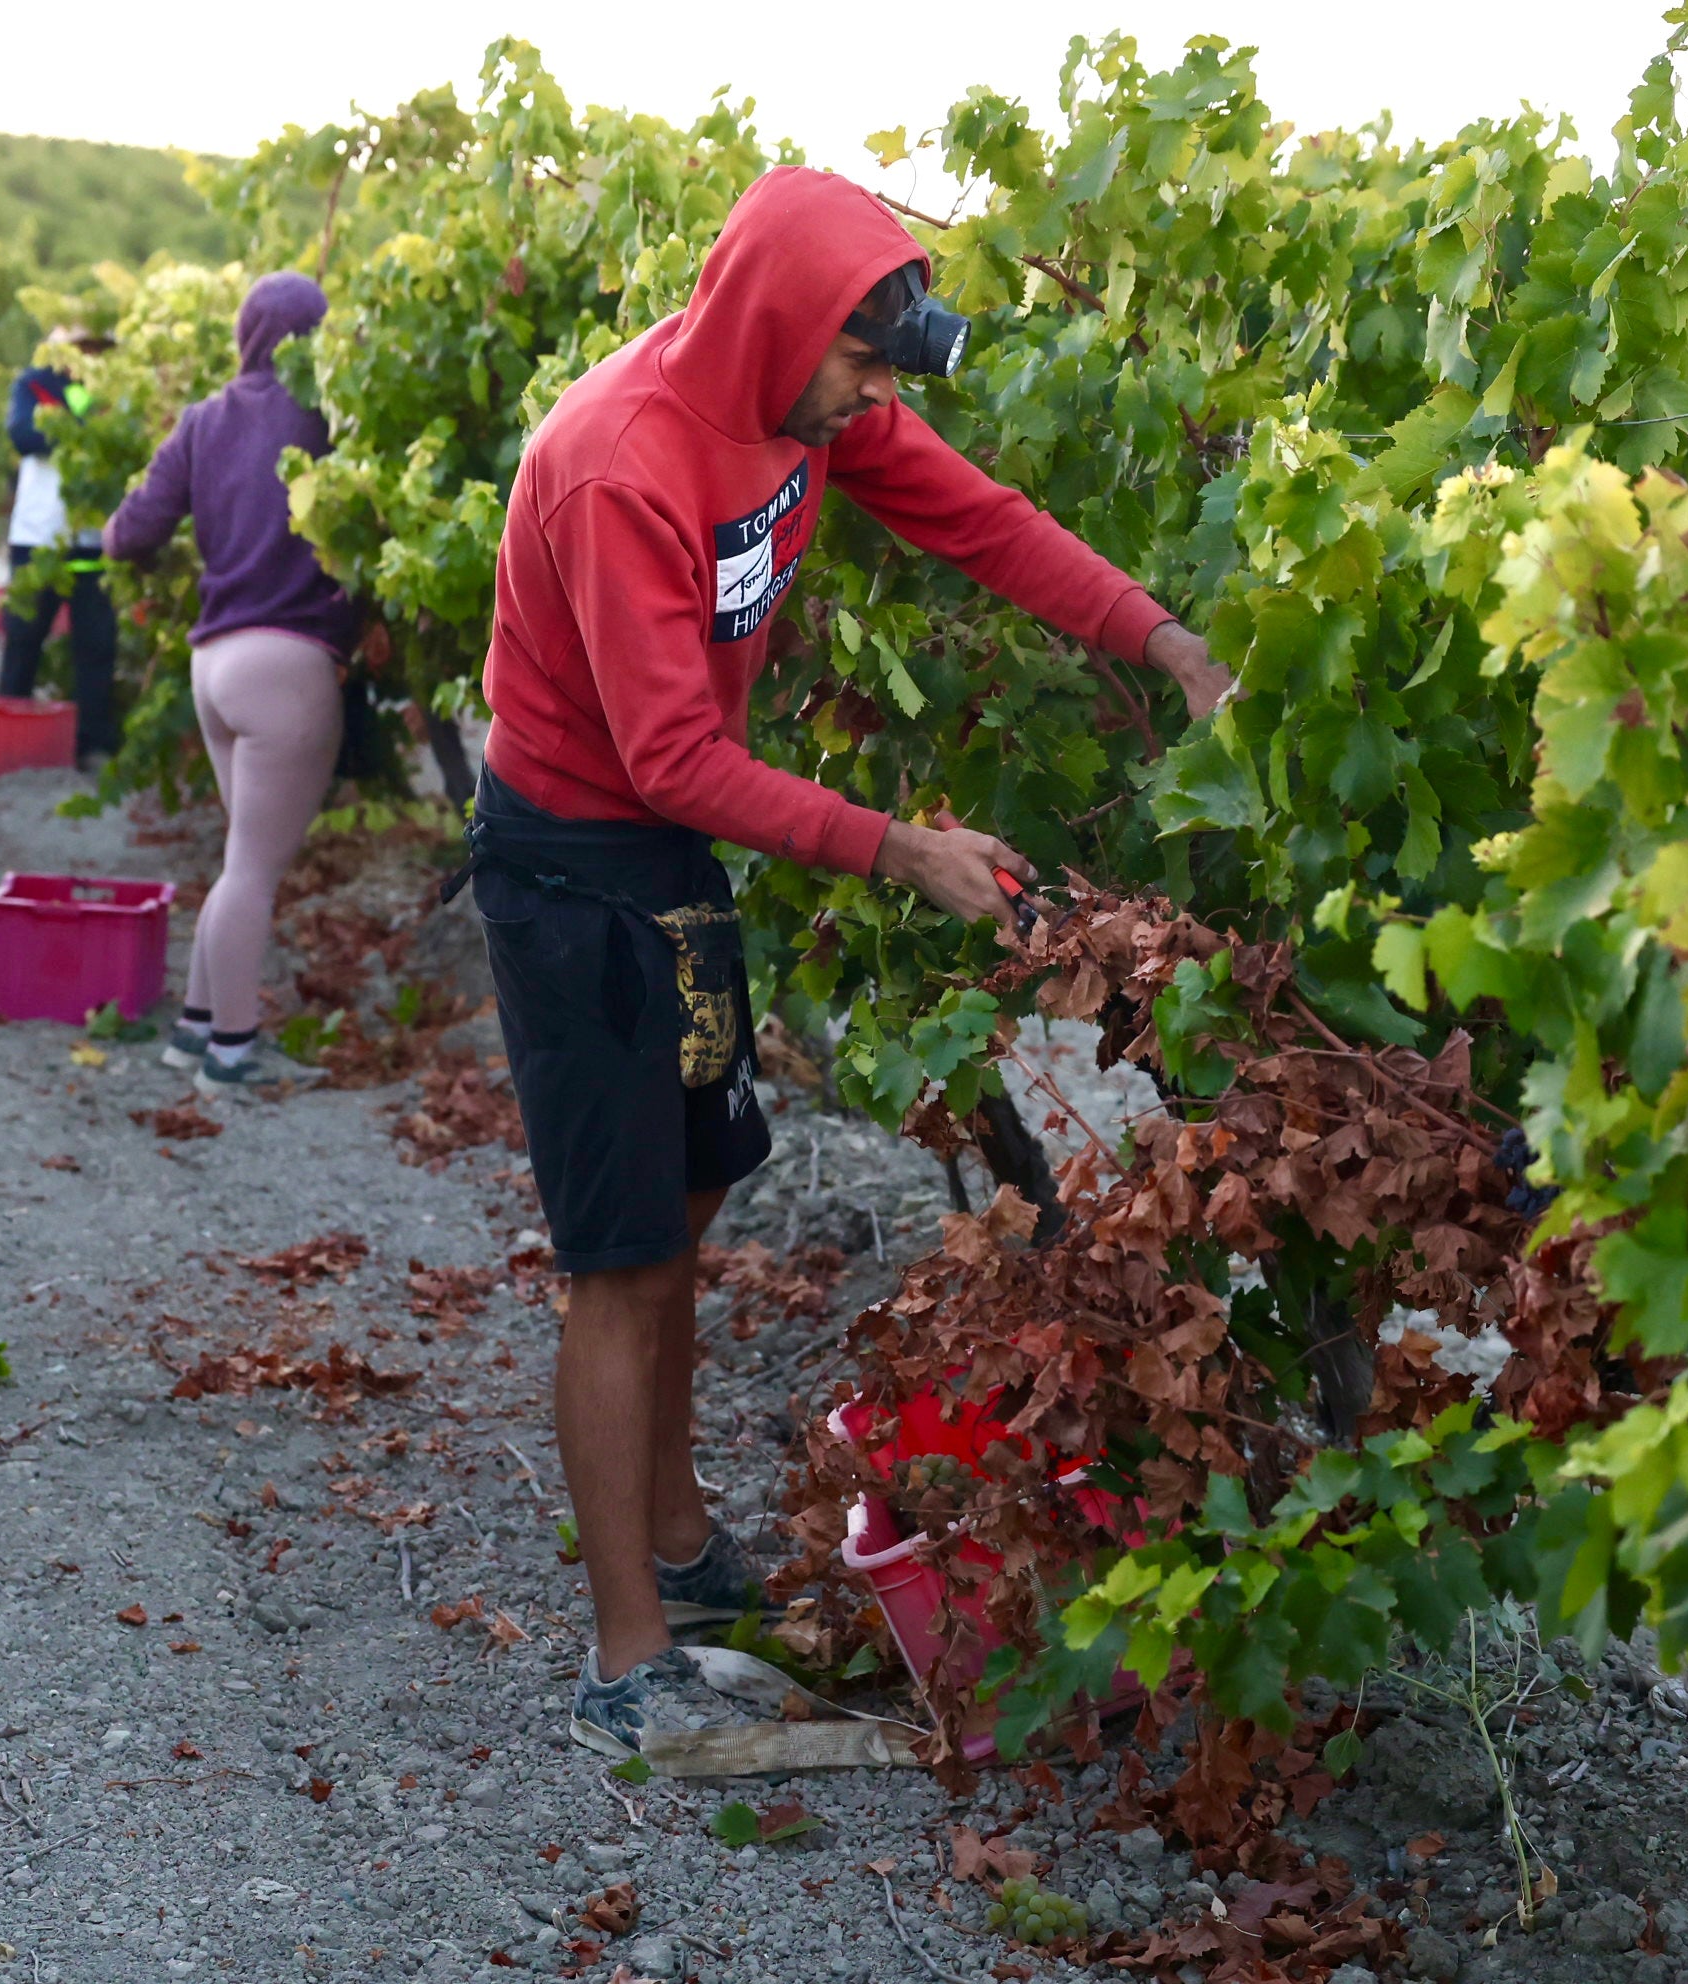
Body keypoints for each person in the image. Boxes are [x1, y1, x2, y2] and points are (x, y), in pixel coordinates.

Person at [462, 167, 1239, 1760]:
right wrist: (900, 847)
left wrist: (1167, 641)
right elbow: (672, 757)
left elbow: (988, 522)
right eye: (865, 367)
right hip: (574, 867)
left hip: (664, 860)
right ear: (779, 325)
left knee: (688, 1201)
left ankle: (680, 1563)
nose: (879, 400)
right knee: (617, 1264)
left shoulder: (806, 399)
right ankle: (632, 1671)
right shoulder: (621, 464)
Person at [104, 273, 359, 1096]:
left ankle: (195, 1031)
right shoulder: (330, 420)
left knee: (237, 860)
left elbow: (127, 535)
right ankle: (235, 1055)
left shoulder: (202, 420)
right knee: (253, 870)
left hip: (213, 663)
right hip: (286, 664)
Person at [0, 332, 121, 762]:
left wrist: (74, 420)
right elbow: (24, 436)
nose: (87, 357)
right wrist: (84, 426)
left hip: (90, 543)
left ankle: (91, 741)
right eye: (81, 348)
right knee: (24, 636)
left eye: (94, 350)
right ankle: (7, 733)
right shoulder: (33, 384)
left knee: (96, 642)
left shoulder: (107, 391)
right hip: (38, 539)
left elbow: (121, 439)